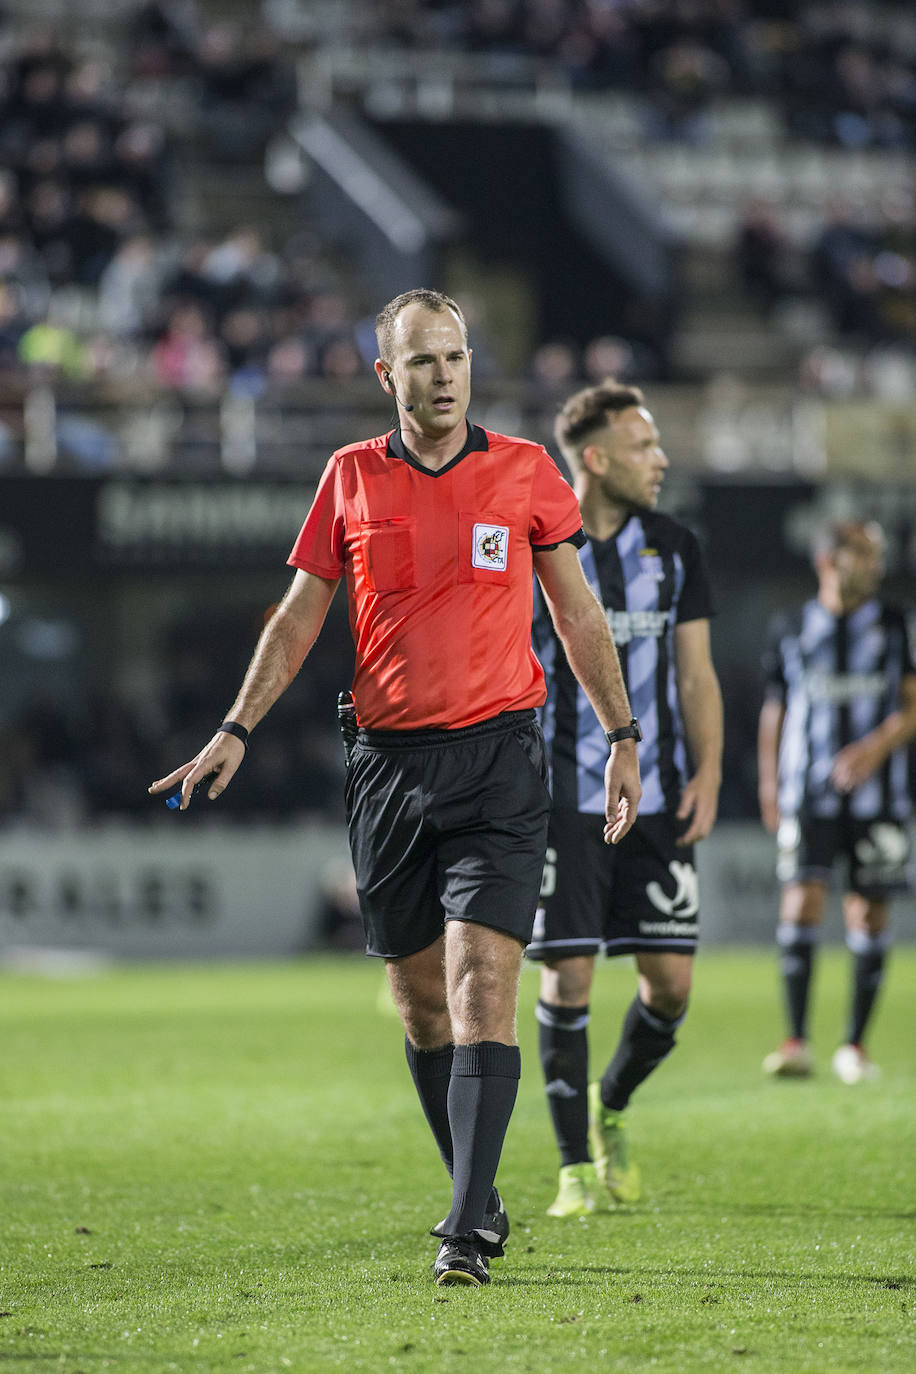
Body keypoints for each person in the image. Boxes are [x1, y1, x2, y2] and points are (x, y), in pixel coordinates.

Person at [149, 288, 641, 1287]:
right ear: (388, 376)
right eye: (422, 361)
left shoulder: (525, 472)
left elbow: (580, 618)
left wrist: (621, 734)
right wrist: (236, 727)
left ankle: (463, 1230)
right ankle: (482, 1192)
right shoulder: (348, 480)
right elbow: (295, 621)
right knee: (421, 1008)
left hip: (502, 760)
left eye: (455, 357)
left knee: (481, 986)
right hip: (385, 768)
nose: (443, 375)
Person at [526, 378, 722, 1218]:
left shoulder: (674, 547)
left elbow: (694, 673)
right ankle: (573, 1166)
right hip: (559, 798)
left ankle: (611, 1105)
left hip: (661, 795)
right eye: (645, 446)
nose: (662, 459)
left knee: (670, 986)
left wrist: (710, 772)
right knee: (568, 977)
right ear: (597, 459)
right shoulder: (535, 546)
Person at [758, 520, 916, 1084]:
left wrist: (874, 749)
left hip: (881, 800)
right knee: (800, 904)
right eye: (865, 554)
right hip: (808, 794)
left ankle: (855, 1046)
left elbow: (913, 704)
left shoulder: (896, 625)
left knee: (869, 911)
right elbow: (774, 709)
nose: (876, 564)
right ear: (831, 560)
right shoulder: (793, 626)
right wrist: (769, 784)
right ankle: (795, 1040)